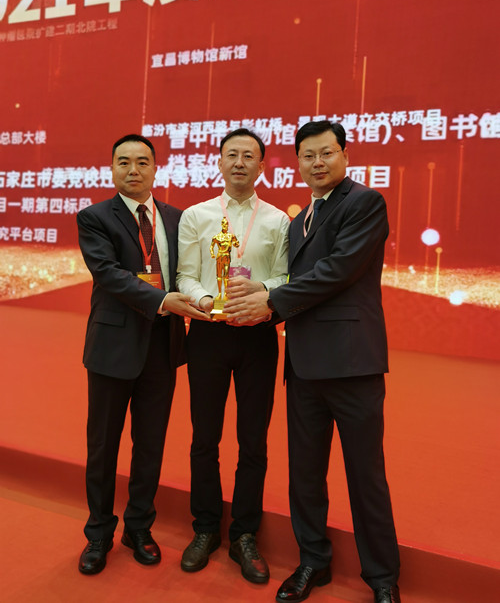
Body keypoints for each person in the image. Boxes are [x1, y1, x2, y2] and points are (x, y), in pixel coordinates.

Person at [224, 121, 401, 603]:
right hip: (302, 364)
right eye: (308, 155)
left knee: (365, 475)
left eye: (326, 153)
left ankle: (382, 578)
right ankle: (312, 562)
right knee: (304, 474)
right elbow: (292, 278)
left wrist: (270, 302)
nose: (317, 163)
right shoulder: (301, 217)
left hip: (352, 362)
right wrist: (261, 289)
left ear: (345, 156)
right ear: (298, 163)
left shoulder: (364, 203)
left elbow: (337, 270)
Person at [76, 133, 209, 575]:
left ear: (155, 167)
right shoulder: (95, 217)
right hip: (113, 347)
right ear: (112, 168)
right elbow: (108, 273)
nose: (133, 169)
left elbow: (188, 271)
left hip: (162, 347)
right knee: (103, 446)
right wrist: (162, 300)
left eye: (142, 161)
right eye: (124, 161)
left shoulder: (177, 218)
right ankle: (98, 533)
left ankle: (139, 527)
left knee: (150, 444)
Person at [176, 128, 290, 584]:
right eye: (231, 155)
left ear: (261, 166)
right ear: (219, 162)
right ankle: (205, 528)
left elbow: (286, 277)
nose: (239, 162)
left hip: (258, 336)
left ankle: (244, 534)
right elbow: (185, 276)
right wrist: (206, 300)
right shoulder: (196, 216)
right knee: (204, 437)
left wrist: (259, 291)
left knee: (253, 441)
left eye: (248, 156)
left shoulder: (278, 221)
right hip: (208, 335)